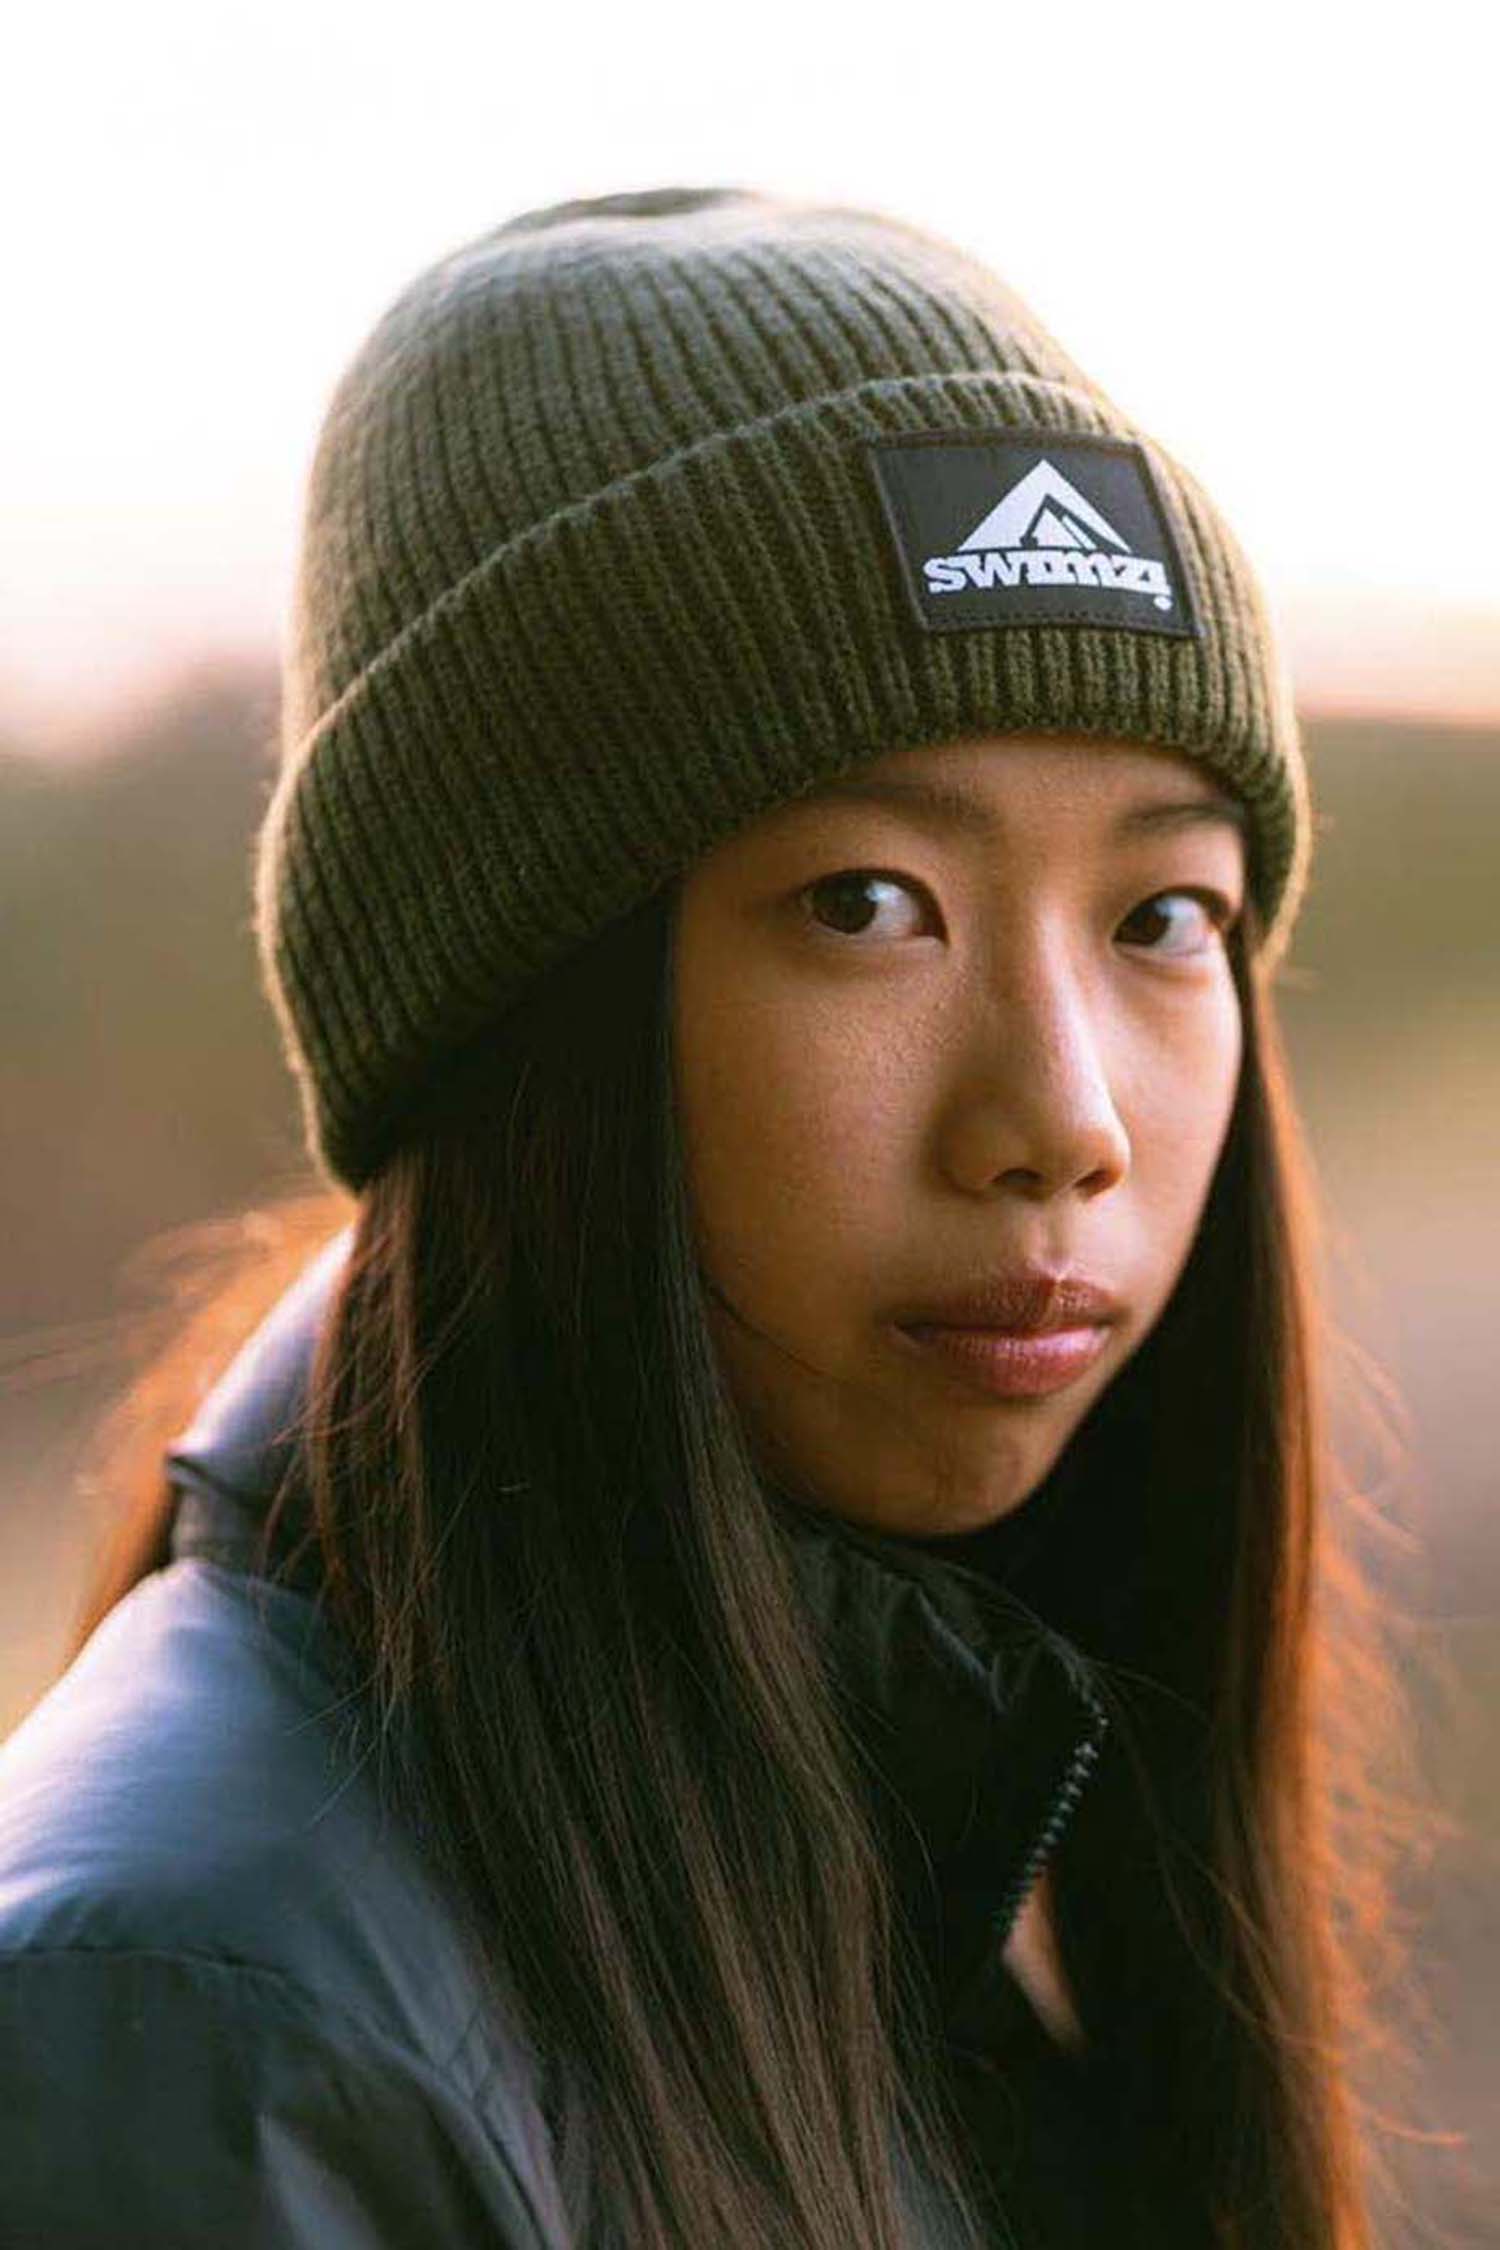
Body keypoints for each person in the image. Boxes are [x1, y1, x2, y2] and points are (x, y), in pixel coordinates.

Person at [0, 186, 1412, 2246]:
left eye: (1161, 916)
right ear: (515, 1021)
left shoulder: (882, 1863)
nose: (1067, 1119)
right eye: (867, 906)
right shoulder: (209, 2040)